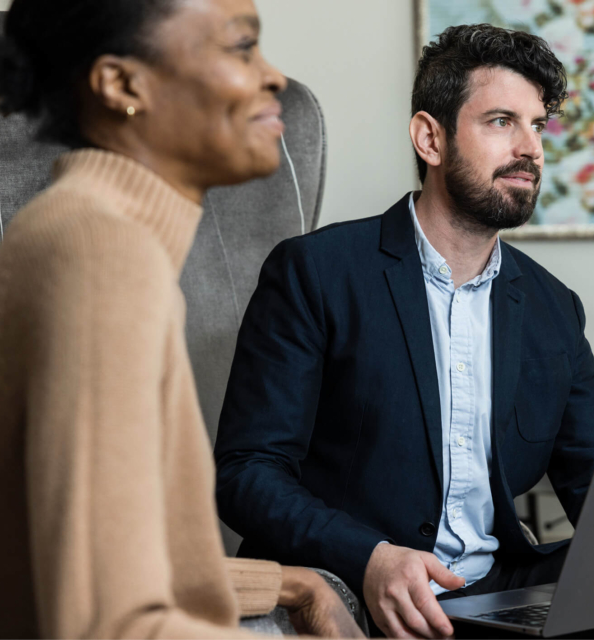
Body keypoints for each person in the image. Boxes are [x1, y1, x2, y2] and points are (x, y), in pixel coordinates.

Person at [214, 23, 594, 639]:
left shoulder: (552, 306)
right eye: (501, 122)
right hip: (354, 580)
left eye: (538, 125)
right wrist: (370, 557)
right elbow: (248, 472)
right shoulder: (316, 272)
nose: (530, 148)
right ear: (430, 138)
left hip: (496, 590)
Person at [0, 0, 364, 638]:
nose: (274, 76)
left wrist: (287, 581)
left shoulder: (87, 231)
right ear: (123, 85)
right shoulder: (101, 253)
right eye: (241, 47)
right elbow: (106, 625)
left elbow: (109, 556)